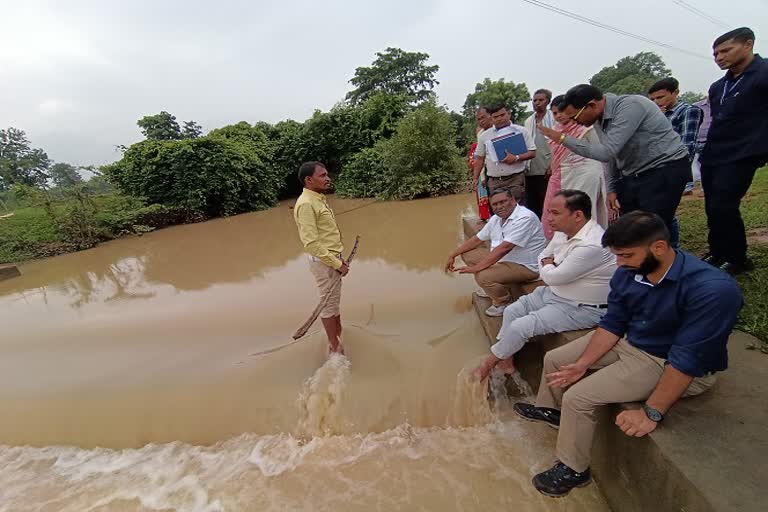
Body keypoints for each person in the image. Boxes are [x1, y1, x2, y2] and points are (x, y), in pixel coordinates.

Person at [512, 211, 742, 498]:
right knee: (557, 360)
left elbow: (688, 359)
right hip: (632, 342)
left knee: (578, 397)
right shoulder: (629, 273)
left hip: (668, 362)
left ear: (658, 248)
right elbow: (613, 324)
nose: (619, 264)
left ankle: (574, 469)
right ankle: (553, 412)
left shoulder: (713, 290)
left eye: (626, 256)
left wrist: (651, 413)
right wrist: (583, 364)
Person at [473, 190, 616, 380]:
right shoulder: (562, 232)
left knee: (520, 327)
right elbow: (543, 257)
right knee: (511, 311)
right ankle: (506, 360)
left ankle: (490, 362)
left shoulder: (592, 244)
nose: (548, 219)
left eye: (555, 213)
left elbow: (553, 276)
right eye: (548, 212)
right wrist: (549, 265)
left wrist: (549, 265)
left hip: (582, 307)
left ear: (578, 215)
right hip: (554, 293)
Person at [538, 85, 690, 239]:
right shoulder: (598, 118)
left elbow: (605, 152)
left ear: (591, 105)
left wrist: (562, 138)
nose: (575, 122)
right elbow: (611, 157)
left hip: (663, 168)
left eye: (575, 117)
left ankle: (669, 259)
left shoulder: (630, 107)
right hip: (634, 174)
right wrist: (611, 188)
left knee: (653, 226)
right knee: (633, 225)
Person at [700, 27, 768, 275]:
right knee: (712, 205)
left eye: (726, 50)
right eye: (715, 53)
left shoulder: (763, 73)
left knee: (724, 204)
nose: (719, 57)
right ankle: (718, 251)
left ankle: (736, 257)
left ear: (748, 44)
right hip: (714, 153)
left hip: (743, 152)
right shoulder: (719, 86)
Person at [445, 189, 545, 317]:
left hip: (527, 267)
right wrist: (452, 254)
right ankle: (492, 287)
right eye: (495, 204)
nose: (499, 207)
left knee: (483, 275)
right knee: (468, 254)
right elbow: (476, 239)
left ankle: (503, 302)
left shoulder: (525, 218)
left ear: (513, 200)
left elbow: (504, 248)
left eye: (503, 202)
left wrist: (476, 268)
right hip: (505, 261)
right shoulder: (496, 219)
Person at [293, 161, 349, 354]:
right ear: (309, 180)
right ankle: (334, 346)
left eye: (327, 174)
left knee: (333, 302)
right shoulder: (306, 204)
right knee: (327, 305)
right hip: (325, 263)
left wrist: (339, 260)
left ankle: (338, 334)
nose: (328, 178)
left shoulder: (318, 198)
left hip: (333, 259)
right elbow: (311, 243)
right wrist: (337, 264)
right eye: (323, 175)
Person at [542, 95, 608, 239]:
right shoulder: (554, 130)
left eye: (562, 112)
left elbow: (600, 152)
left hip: (586, 175)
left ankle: (587, 243)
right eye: (554, 113)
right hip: (561, 175)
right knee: (557, 211)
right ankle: (561, 248)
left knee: (582, 212)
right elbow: (555, 157)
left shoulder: (586, 128)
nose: (558, 116)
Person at [648, 77, 704, 247]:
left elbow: (687, 144)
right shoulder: (655, 114)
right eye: (652, 99)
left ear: (675, 93)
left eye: (660, 97)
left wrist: (661, 119)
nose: (656, 102)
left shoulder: (688, 111)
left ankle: (673, 247)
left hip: (673, 168)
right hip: (654, 168)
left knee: (666, 210)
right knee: (658, 210)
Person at [473, 103, 537, 201]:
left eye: (502, 115)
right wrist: (475, 178)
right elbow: (479, 158)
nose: (499, 119)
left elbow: (532, 152)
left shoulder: (521, 131)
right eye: (495, 117)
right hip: (494, 181)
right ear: (491, 118)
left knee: (517, 209)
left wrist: (516, 158)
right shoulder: (484, 136)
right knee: (498, 210)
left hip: (515, 179)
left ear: (509, 114)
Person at [523, 89, 555, 218]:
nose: (537, 103)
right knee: (531, 203)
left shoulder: (554, 118)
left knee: (548, 201)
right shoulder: (528, 121)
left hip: (548, 168)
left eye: (540, 100)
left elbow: (559, 144)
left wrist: (553, 164)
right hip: (531, 169)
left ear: (548, 101)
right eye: (534, 100)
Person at [469, 108, 494, 221]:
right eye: (478, 119)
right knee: (492, 200)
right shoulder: (481, 138)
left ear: (490, 116)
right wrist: (477, 177)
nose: (481, 121)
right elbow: (478, 159)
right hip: (485, 174)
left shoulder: (504, 130)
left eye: (483, 117)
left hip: (507, 174)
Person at [691, 98, 711, 197]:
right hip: (696, 140)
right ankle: (688, 187)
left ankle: (705, 188)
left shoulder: (720, 105)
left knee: (706, 166)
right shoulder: (696, 106)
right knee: (692, 166)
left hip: (711, 141)